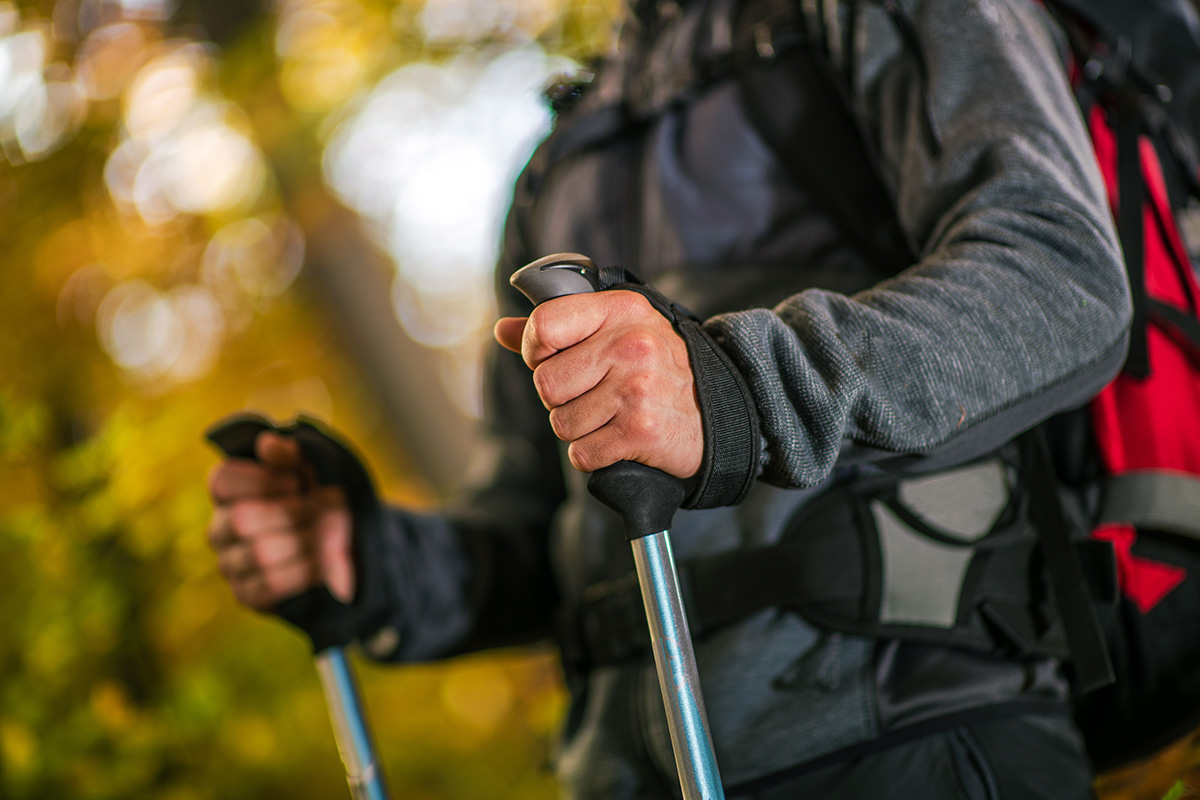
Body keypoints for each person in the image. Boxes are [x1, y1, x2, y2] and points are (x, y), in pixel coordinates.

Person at [205, 0, 1133, 796]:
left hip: (922, 740)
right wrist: (372, 562)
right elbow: (539, 532)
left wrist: (736, 388)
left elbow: (1061, 280)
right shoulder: (560, 160)